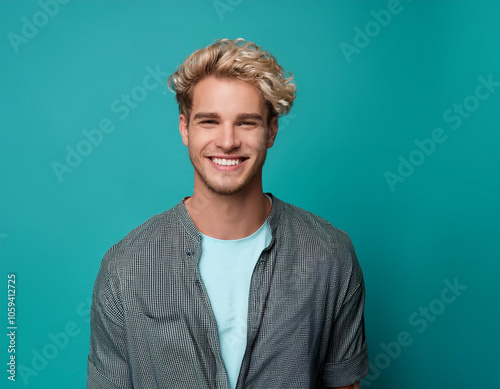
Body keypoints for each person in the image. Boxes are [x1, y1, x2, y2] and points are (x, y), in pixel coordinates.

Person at [87, 38, 369, 389]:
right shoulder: (125, 267)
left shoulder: (330, 255)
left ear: (271, 131)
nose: (227, 141)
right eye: (209, 121)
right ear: (184, 128)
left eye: (246, 123)